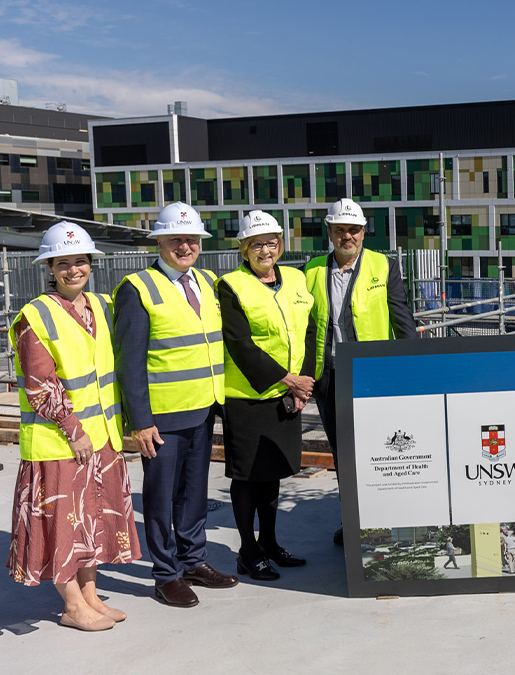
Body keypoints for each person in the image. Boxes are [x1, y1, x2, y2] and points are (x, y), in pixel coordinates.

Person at [6, 223, 140, 631]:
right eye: (63, 263)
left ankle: (91, 596)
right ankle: (71, 606)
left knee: (93, 520)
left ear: (90, 263)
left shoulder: (100, 304)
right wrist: (73, 429)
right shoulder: (36, 315)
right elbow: (40, 385)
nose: (73, 269)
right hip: (60, 443)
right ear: (49, 267)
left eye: (79, 261)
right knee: (63, 524)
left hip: (102, 437)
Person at [114, 202, 238, 608]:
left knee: (194, 494)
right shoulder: (138, 288)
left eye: (191, 239)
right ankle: (166, 574)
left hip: (203, 408)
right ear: (160, 242)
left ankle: (193, 561)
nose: (185, 246)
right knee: (160, 498)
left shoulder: (205, 280)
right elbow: (129, 361)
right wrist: (141, 420)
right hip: (163, 417)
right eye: (176, 239)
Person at [305, 198, 416, 546]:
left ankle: (383, 521)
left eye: (353, 230)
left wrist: (413, 368)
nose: (347, 236)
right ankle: (352, 520)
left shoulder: (384, 267)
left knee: (379, 450)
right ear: (330, 232)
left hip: (373, 376)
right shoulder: (311, 271)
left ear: (363, 231)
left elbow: (402, 320)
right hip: (329, 378)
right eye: (340, 230)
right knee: (342, 453)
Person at [216, 211, 316, 581]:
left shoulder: (295, 278)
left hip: (289, 393)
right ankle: (248, 551)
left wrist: (304, 381)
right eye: (257, 244)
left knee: (272, 474)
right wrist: (289, 379)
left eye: (271, 242)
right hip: (248, 396)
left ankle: (270, 542)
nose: (265, 250)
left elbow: (308, 330)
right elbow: (240, 345)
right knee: (248, 476)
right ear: (244, 249)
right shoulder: (231, 285)